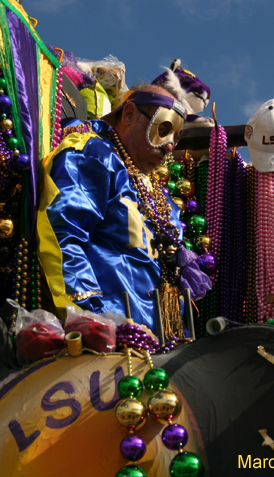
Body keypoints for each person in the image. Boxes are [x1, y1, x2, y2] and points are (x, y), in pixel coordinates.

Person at [37, 84, 202, 335]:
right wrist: (92, 320)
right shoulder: (95, 155)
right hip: (111, 342)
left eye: (176, 137)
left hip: (164, 343)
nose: (170, 146)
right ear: (129, 115)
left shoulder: (161, 197)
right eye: (163, 129)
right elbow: (64, 236)